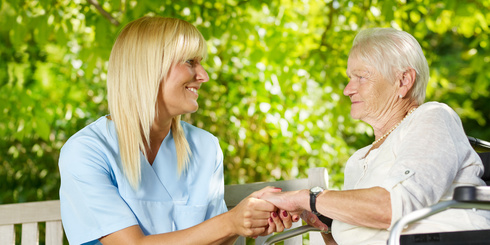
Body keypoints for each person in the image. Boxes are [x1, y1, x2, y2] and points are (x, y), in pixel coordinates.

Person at [58, 16, 293, 245]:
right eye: (190, 62)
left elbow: (215, 239)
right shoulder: (85, 151)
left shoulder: (206, 147)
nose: (204, 76)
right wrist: (231, 222)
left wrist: (251, 218)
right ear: (148, 68)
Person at [261, 27, 490, 244]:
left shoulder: (432, 117)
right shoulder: (358, 159)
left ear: (403, 81)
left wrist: (307, 198)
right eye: (350, 77)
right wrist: (327, 224)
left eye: (361, 76)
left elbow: (391, 208)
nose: (347, 89)